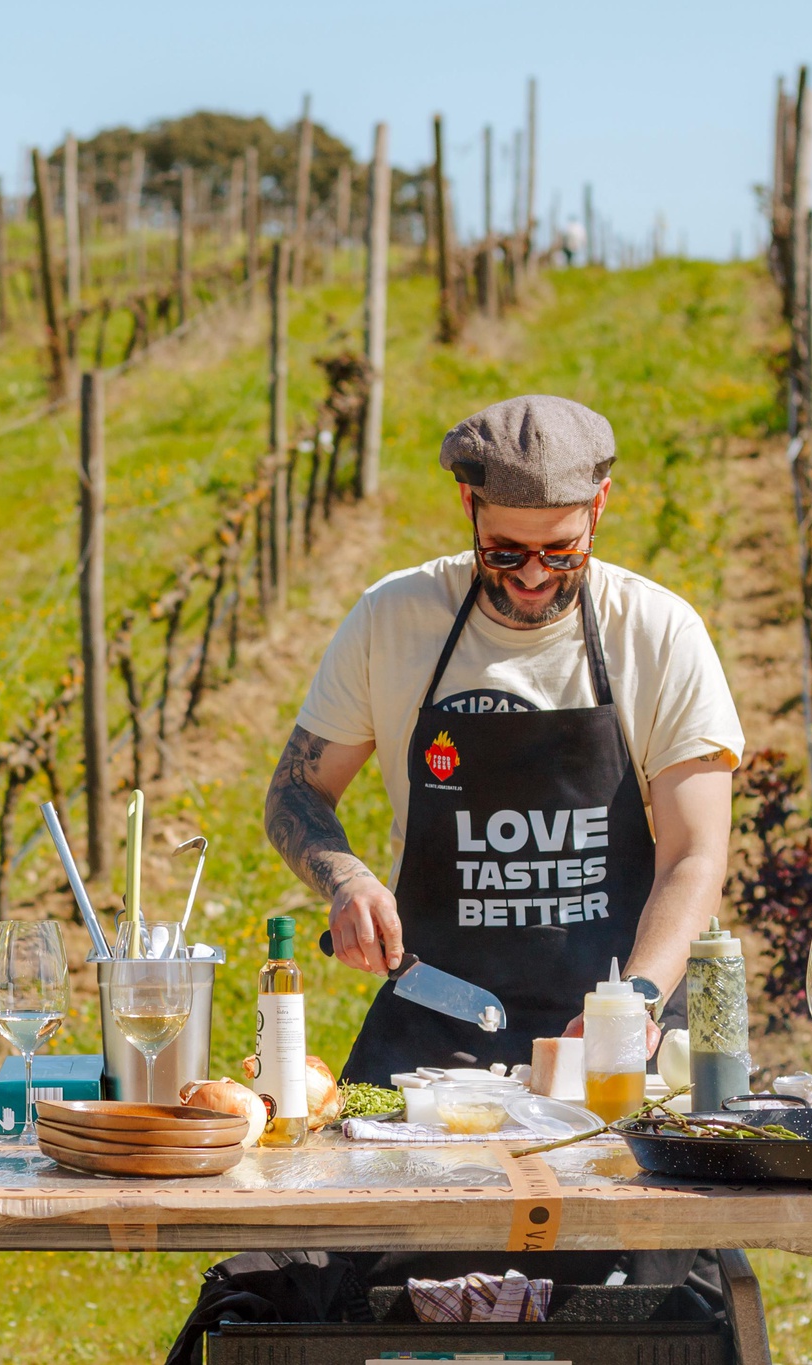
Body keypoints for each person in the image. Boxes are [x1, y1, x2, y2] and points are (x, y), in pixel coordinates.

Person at [254, 393, 744, 1297]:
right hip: (436, 1042)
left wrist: (634, 1000)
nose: (530, 576)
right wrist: (346, 877)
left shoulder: (660, 634)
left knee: (653, 1298)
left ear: (600, 508)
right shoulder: (392, 621)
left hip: (615, 1049)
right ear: (469, 510)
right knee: (341, 1283)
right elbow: (295, 792)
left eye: (561, 550)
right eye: (505, 551)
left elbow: (693, 855)